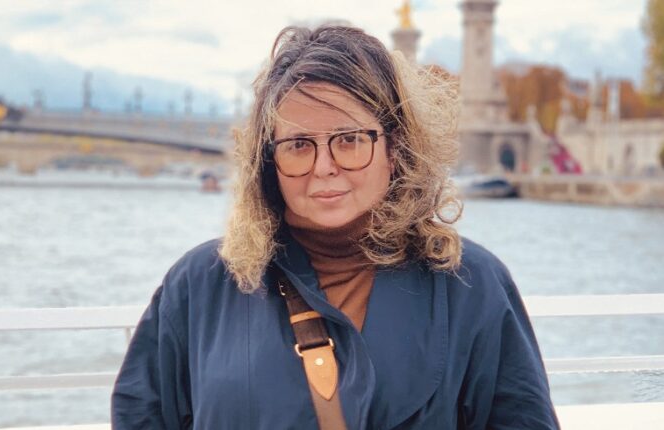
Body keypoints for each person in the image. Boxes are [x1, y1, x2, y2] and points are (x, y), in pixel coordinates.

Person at [111, 25, 560, 429]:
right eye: (298, 145)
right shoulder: (199, 285)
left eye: (349, 140)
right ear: (268, 160)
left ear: (395, 147)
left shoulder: (469, 284)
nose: (324, 167)